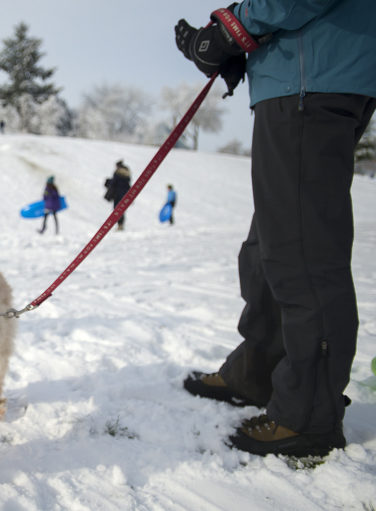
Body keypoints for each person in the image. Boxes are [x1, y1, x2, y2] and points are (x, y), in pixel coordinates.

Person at [175, 1, 376, 457]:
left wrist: (233, 28)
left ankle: (308, 414)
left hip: (313, 80)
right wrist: (239, 46)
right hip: (298, 77)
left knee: (301, 253)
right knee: (270, 242)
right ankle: (259, 372)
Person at [103, 160, 131, 230]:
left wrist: (108, 183)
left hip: (117, 193)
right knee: (122, 209)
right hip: (125, 193)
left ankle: (119, 225)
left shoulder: (118, 172)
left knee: (117, 209)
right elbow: (127, 184)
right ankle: (120, 224)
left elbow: (114, 183)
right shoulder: (127, 173)